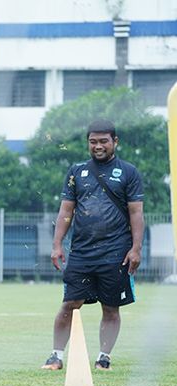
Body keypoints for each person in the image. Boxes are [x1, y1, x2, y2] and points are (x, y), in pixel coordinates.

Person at [42, 119, 144, 372]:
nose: (98, 146)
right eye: (93, 141)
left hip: (116, 253)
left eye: (103, 141)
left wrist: (136, 248)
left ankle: (104, 358)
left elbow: (136, 214)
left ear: (114, 142)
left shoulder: (129, 172)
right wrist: (57, 244)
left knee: (111, 307)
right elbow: (66, 210)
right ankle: (55, 356)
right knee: (69, 304)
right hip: (82, 252)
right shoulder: (76, 172)